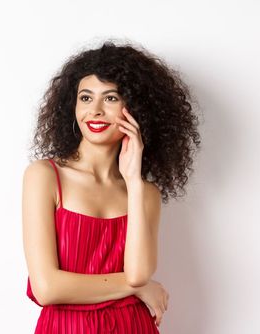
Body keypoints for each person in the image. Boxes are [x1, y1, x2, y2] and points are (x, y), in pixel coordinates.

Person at [22, 40, 201, 333]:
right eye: (85, 98)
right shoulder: (44, 176)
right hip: (66, 328)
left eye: (111, 98)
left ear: (136, 109)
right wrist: (137, 288)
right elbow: (47, 288)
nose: (95, 111)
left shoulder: (145, 193)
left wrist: (133, 181)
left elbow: (140, 272)